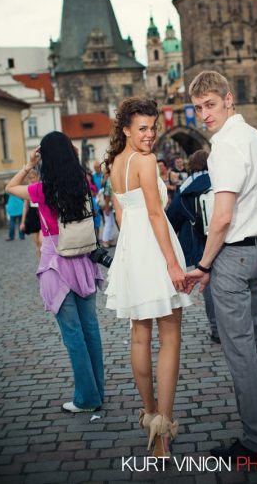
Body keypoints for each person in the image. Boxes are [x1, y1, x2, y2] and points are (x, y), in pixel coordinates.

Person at [183, 70, 257, 461]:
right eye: (197, 108)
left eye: (210, 104)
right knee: (255, 339)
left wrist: (204, 265)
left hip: (234, 255)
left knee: (240, 347)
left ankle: (255, 441)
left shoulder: (224, 145)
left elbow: (221, 217)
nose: (204, 114)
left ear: (229, 99)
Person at [102, 97, 191, 457]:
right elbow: (156, 214)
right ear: (126, 129)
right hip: (155, 247)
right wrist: (172, 263)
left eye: (153, 127)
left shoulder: (115, 163)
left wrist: (130, 252)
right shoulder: (145, 160)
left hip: (131, 249)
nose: (150, 134)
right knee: (169, 337)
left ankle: (150, 414)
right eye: (142, 128)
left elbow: (123, 217)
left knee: (140, 336)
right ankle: (163, 433)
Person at [5, 132, 105, 414]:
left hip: (56, 263)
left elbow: (11, 187)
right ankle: (98, 390)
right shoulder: (82, 183)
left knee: (72, 334)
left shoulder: (41, 190)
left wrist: (29, 164)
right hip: (83, 258)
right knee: (91, 330)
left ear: (45, 158)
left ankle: (86, 398)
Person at [165, 149, 219, 343]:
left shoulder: (187, 186)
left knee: (209, 284)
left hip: (199, 243)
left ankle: (216, 329)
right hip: (223, 240)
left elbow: (173, 217)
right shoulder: (220, 178)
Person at [20, 167, 43, 260]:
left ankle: (45, 260)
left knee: (42, 241)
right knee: (36, 243)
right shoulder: (27, 190)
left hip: (42, 214)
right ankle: (40, 262)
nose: (33, 179)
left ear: (38, 177)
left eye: (34, 177)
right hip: (32, 215)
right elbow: (25, 207)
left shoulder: (41, 187)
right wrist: (22, 222)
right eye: (30, 178)